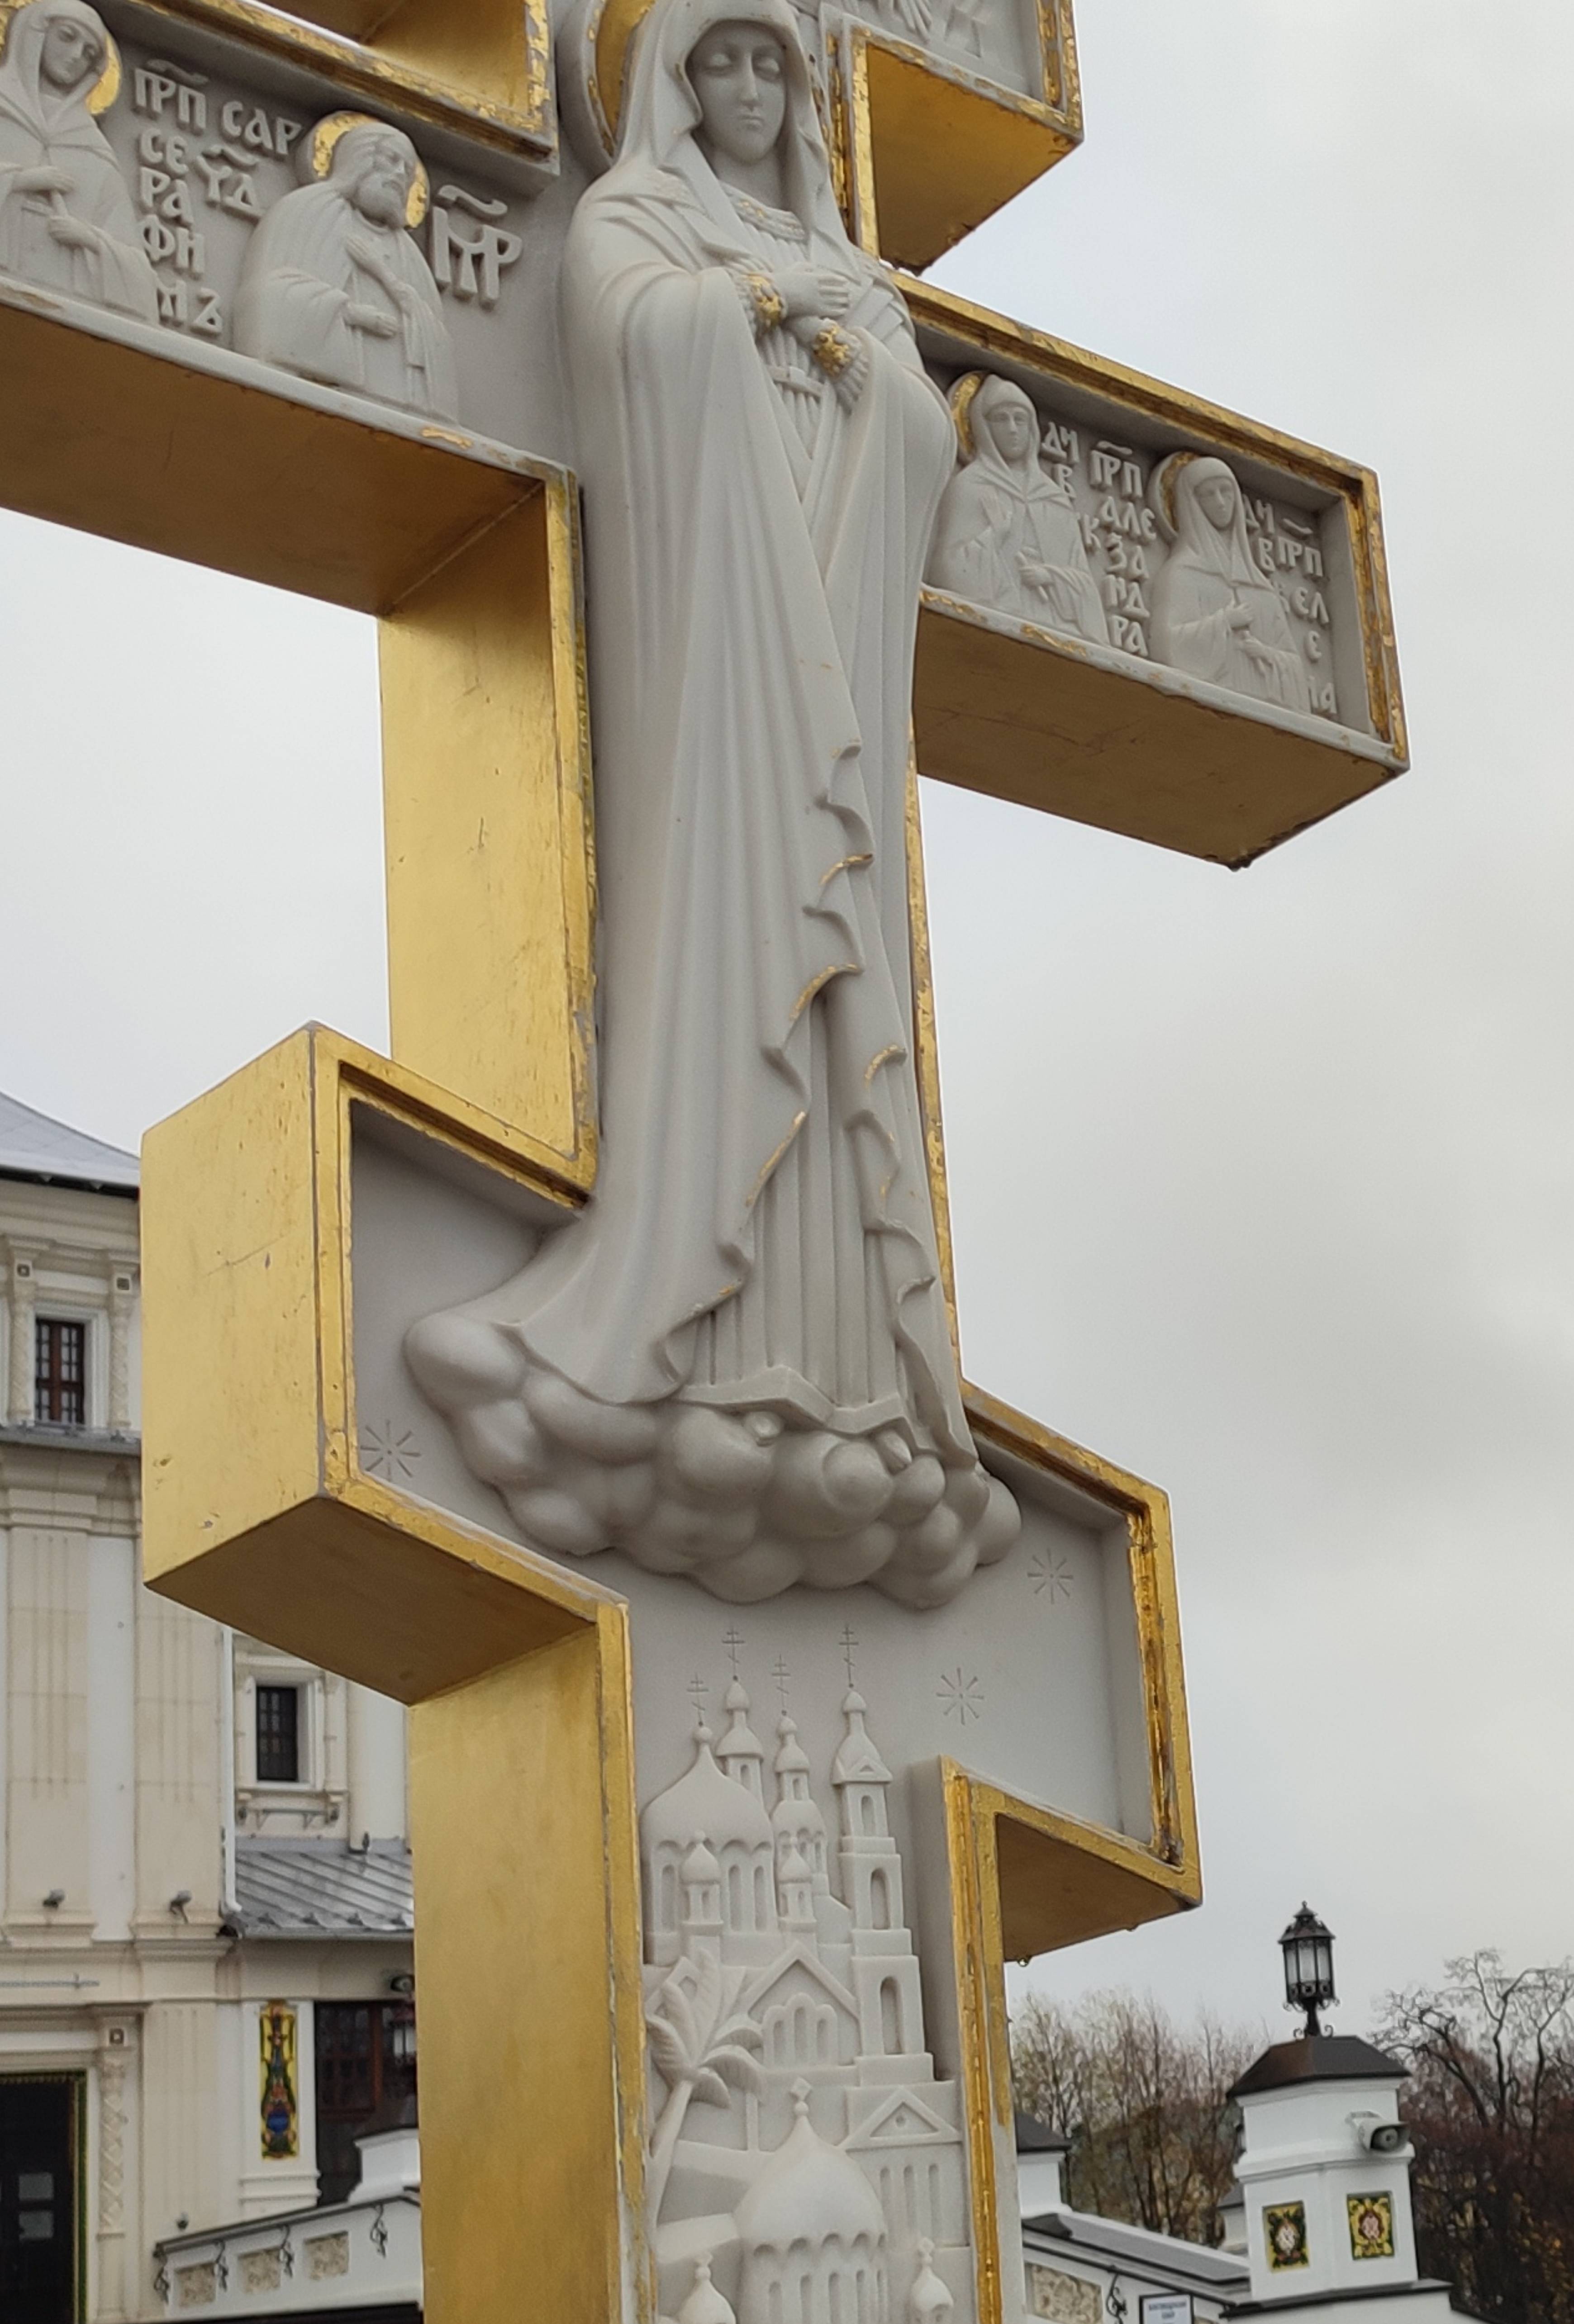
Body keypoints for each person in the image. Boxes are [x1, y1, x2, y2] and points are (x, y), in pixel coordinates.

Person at [406, 0, 1017, 1608]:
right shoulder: (630, 218)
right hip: (715, 692)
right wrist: (757, 300)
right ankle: (688, 1326)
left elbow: (911, 444)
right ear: (671, 83)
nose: (746, 88)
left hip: (836, 689)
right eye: (718, 61)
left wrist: (845, 349)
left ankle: (844, 1372)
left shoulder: (852, 270)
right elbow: (630, 344)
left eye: (769, 63)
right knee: (736, 966)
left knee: (838, 1003)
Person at [233, 119, 457, 420]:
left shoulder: (410, 255)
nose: (401, 176)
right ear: (360, 159)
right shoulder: (309, 211)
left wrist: (384, 277)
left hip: (396, 403)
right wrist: (350, 313)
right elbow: (271, 297)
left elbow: (433, 335)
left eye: (407, 169)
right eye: (391, 160)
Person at [0, 0, 157, 321]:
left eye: (89, 54)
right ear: (35, 34)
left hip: (62, 301)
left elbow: (139, 275)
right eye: (67, 37)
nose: (76, 57)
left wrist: (90, 238)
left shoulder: (92, 147)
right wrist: (19, 181)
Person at [928, 370, 1107, 641]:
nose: (1012, 429)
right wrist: (994, 537)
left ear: (1032, 428)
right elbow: (946, 570)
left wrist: (1049, 575)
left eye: (1020, 420)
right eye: (1001, 419)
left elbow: (1086, 586)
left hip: (1059, 630)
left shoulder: (1054, 499)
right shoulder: (971, 487)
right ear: (983, 427)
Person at [1148, 450, 1311, 713]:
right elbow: (1168, 647)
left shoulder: (1261, 587)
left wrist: (1265, 654)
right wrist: (1224, 622)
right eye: (1208, 495)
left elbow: (1294, 665)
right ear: (1191, 504)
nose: (1221, 502)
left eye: (1227, 492)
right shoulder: (1183, 571)